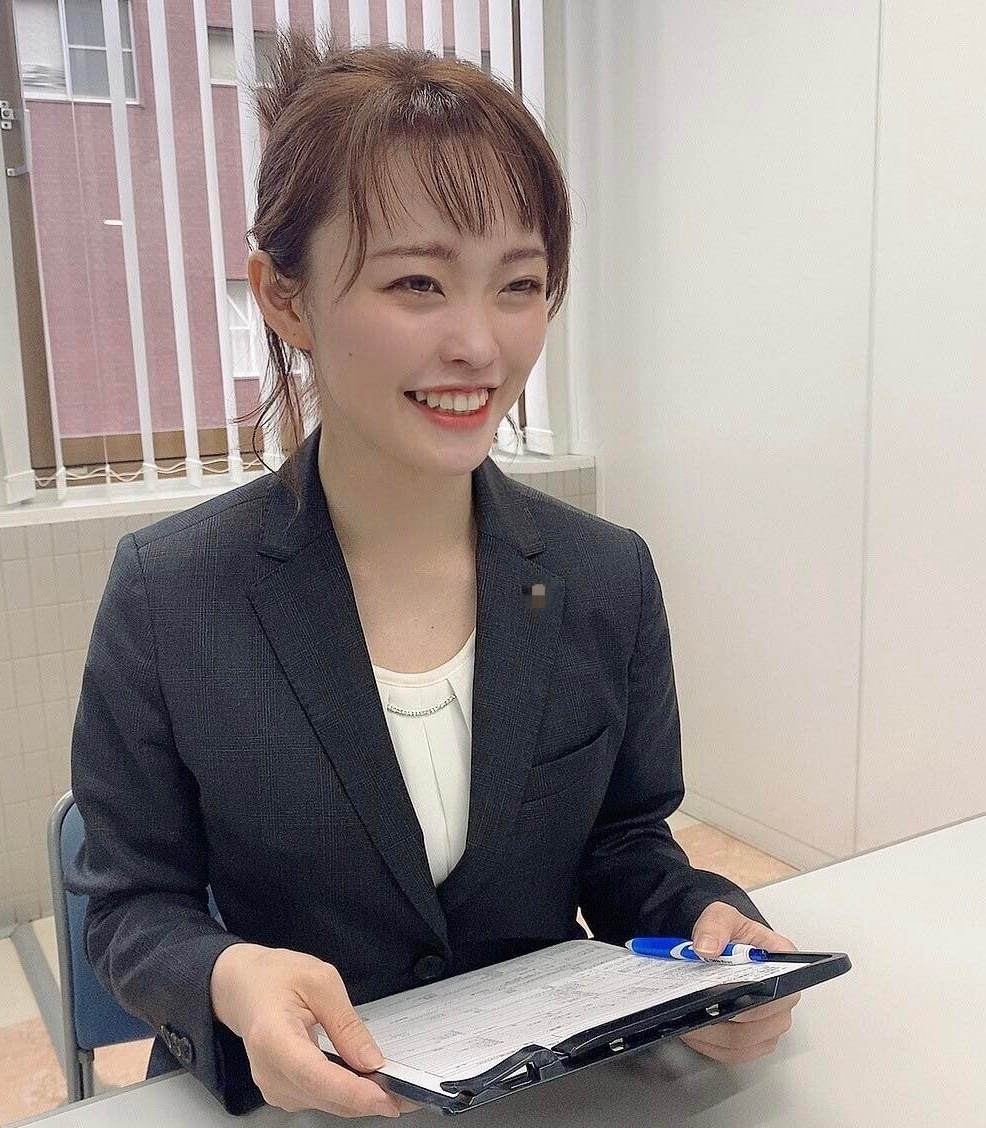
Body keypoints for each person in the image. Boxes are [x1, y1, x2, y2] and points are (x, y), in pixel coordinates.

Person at [68, 28, 800, 1120]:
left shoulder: (605, 577)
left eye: (519, 285)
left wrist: (707, 924)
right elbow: (130, 908)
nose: (480, 345)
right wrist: (231, 977)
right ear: (285, 297)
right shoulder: (172, 595)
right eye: (416, 282)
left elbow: (624, 846)